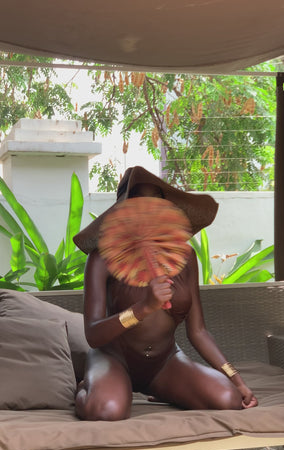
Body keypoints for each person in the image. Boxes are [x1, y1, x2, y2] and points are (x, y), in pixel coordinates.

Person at [73, 166, 258, 421]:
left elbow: (198, 331)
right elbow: (93, 335)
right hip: (113, 359)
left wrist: (235, 378)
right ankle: (87, 388)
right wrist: (142, 309)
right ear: (125, 210)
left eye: (156, 201)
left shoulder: (186, 256)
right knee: (106, 411)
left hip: (164, 362)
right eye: (140, 200)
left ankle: (165, 390)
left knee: (228, 400)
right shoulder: (102, 258)